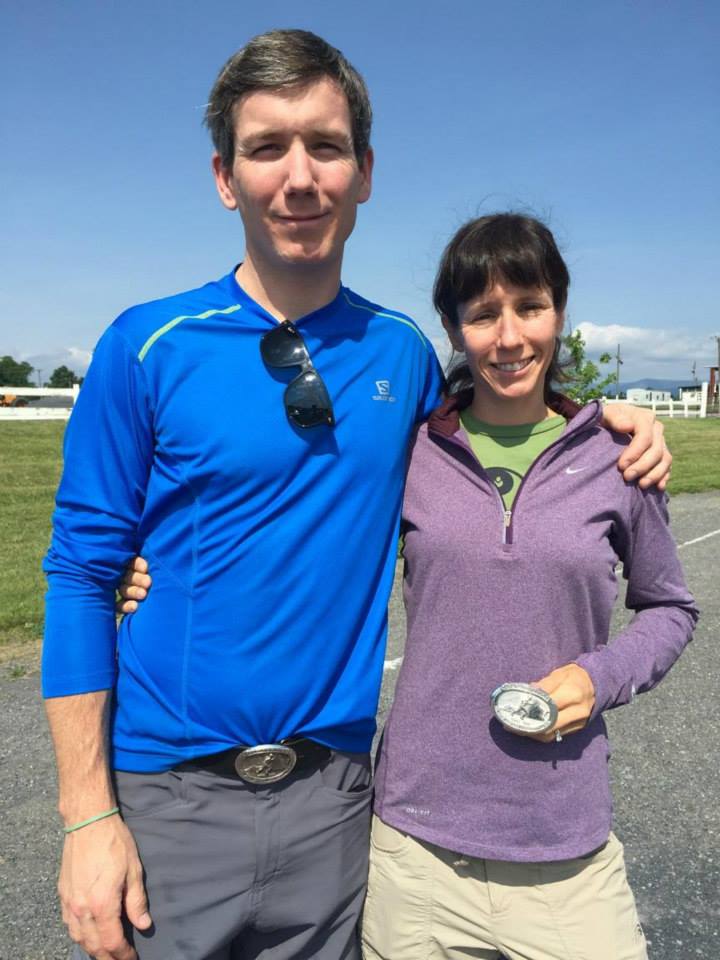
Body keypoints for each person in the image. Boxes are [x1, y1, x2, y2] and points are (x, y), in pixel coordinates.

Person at [44, 28, 670, 960]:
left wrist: (612, 416)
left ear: (365, 171)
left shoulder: (403, 357)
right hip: (171, 799)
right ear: (225, 177)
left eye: (326, 147)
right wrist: (86, 817)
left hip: (337, 807)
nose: (300, 177)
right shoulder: (148, 345)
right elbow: (82, 576)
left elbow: (500, 418)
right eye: (267, 148)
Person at [361, 214, 698, 960]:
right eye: (483, 314)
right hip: (416, 852)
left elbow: (671, 607)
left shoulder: (618, 457)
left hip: (562, 853)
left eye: (529, 307)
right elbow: (311, 542)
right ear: (453, 329)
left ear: (560, 311)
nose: (509, 337)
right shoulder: (410, 451)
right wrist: (149, 571)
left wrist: (598, 675)